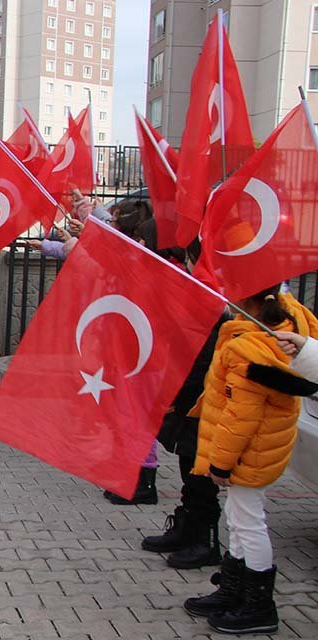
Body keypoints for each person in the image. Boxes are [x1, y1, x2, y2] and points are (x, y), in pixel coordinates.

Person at [183, 284, 317, 634]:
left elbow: (240, 417)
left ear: (247, 301)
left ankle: (258, 605)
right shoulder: (292, 319)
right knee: (239, 517)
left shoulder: (247, 348)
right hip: (263, 446)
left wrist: (220, 463)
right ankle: (233, 591)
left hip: (247, 452)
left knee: (247, 523)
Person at [137, 221, 226, 566]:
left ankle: (205, 539)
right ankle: (188, 525)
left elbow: (205, 357)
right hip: (190, 393)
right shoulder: (199, 291)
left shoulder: (220, 299)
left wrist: (179, 390)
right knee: (189, 463)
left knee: (200, 468)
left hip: (206, 396)